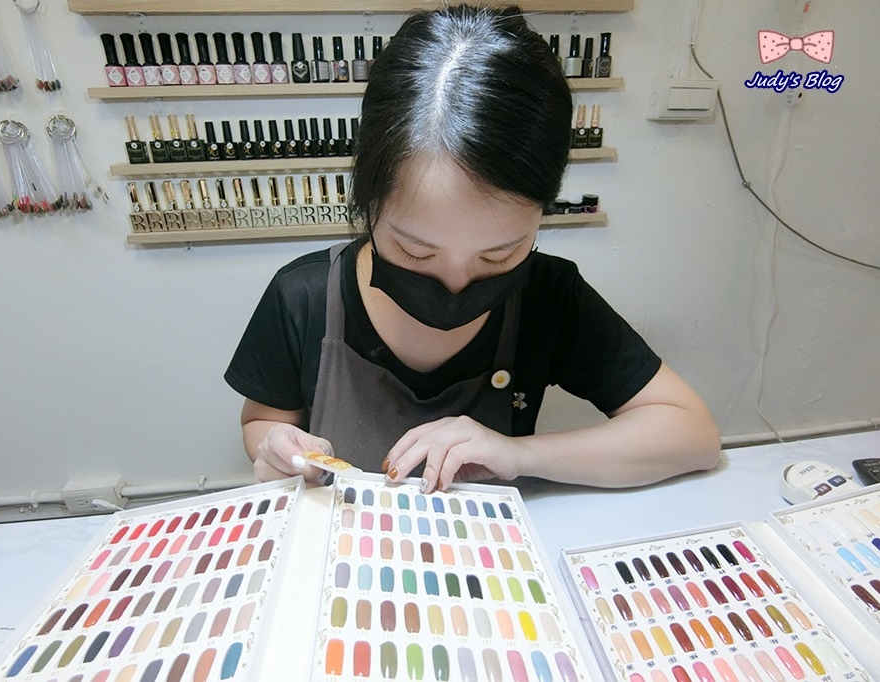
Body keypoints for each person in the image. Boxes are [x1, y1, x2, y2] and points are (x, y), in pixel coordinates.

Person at [224, 4, 721, 493]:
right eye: (417, 253)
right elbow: (263, 421)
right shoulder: (303, 296)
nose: (456, 285)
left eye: (498, 256)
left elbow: (692, 435)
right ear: (368, 202)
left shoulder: (549, 295)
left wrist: (521, 454)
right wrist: (274, 448)